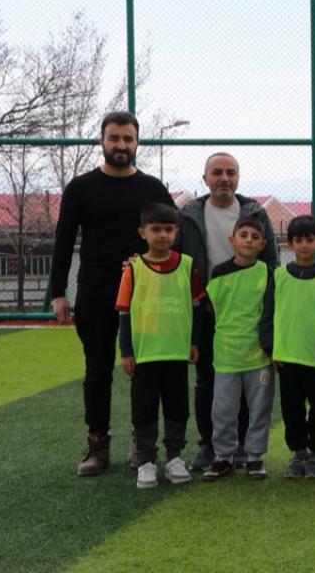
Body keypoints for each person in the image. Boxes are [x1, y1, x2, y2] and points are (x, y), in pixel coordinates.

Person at [50, 111, 174, 476]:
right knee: (98, 371)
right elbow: (62, 243)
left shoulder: (153, 189)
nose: (121, 145)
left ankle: (142, 442)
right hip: (96, 292)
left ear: (137, 143)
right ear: (102, 140)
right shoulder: (80, 188)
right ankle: (97, 443)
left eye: (128, 139)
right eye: (114, 138)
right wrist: (58, 292)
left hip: (146, 296)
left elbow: (170, 239)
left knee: (146, 373)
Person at [175, 152, 279, 471]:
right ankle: (211, 447)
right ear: (205, 178)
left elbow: (272, 263)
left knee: (253, 388)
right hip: (207, 310)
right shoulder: (189, 214)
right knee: (210, 382)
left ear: (238, 177)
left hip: (249, 314)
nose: (224, 178)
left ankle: (248, 450)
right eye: (217, 172)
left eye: (230, 173)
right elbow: (177, 259)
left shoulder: (254, 212)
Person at [115, 203, 204, 489]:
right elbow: (125, 312)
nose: (163, 235)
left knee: (177, 407)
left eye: (168, 229)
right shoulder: (134, 268)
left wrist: (194, 341)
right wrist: (126, 350)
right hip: (145, 354)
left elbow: (197, 307)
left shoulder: (187, 265)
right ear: (143, 232)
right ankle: (146, 462)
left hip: (177, 352)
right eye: (156, 229)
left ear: (176, 232)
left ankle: (175, 457)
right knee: (144, 409)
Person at [261, 215, 315, 479]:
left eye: (309, 239)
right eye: (299, 240)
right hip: (288, 355)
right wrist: (271, 347)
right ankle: (298, 453)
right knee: (292, 409)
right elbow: (269, 313)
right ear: (290, 243)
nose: (304, 245)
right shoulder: (279, 275)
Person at [199, 217, 275, 481]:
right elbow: (211, 312)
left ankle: (254, 457)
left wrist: (271, 347)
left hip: (260, 359)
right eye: (243, 235)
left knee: (260, 407)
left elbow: (271, 313)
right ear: (232, 240)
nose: (249, 240)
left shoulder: (268, 272)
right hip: (227, 357)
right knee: (223, 408)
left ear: (263, 244)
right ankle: (223, 457)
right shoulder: (219, 273)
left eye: (255, 237)